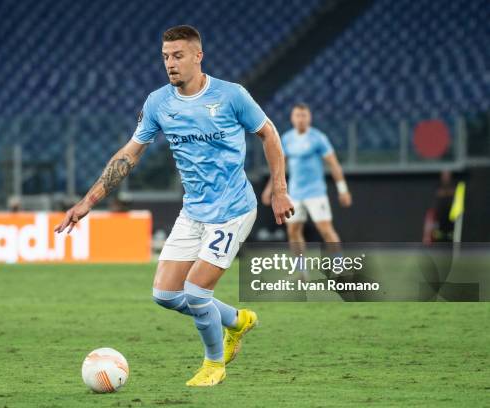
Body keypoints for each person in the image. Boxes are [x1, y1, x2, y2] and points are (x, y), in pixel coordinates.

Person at [55, 25, 294, 387]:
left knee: (197, 293)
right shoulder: (158, 103)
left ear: (198, 56)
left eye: (178, 55)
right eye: (166, 56)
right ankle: (236, 320)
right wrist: (88, 201)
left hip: (232, 210)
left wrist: (279, 189)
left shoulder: (231, 96)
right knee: (165, 295)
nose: (170, 63)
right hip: (194, 211)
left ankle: (215, 364)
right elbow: (129, 156)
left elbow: (270, 135)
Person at [262, 103, 351, 262]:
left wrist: (342, 189)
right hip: (295, 194)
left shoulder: (318, 138)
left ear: (309, 118)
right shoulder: (287, 139)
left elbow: (334, 164)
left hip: (316, 193)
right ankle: (300, 271)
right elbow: (279, 166)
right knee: (293, 231)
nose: (301, 119)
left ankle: (339, 265)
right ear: (292, 118)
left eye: (304, 116)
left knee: (325, 230)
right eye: (298, 115)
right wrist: (270, 189)